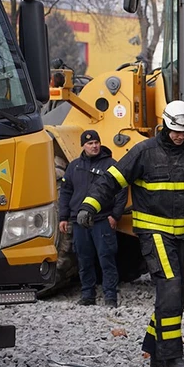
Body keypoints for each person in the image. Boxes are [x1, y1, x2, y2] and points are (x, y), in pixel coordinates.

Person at [78, 100, 184, 367]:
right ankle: (171, 358)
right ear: (164, 125)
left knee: (180, 291)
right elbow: (110, 180)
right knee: (170, 286)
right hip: (153, 232)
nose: (179, 136)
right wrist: (89, 205)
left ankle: (154, 347)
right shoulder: (143, 152)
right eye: (175, 130)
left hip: (182, 235)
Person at [58, 130, 127, 308]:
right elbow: (65, 193)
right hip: (79, 222)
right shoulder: (74, 166)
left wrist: (115, 215)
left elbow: (121, 191)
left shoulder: (111, 165)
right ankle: (87, 295)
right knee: (84, 259)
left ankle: (110, 298)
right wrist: (63, 217)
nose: (94, 146)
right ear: (83, 146)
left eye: (96, 142)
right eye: (90, 143)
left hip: (102, 220)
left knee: (107, 258)